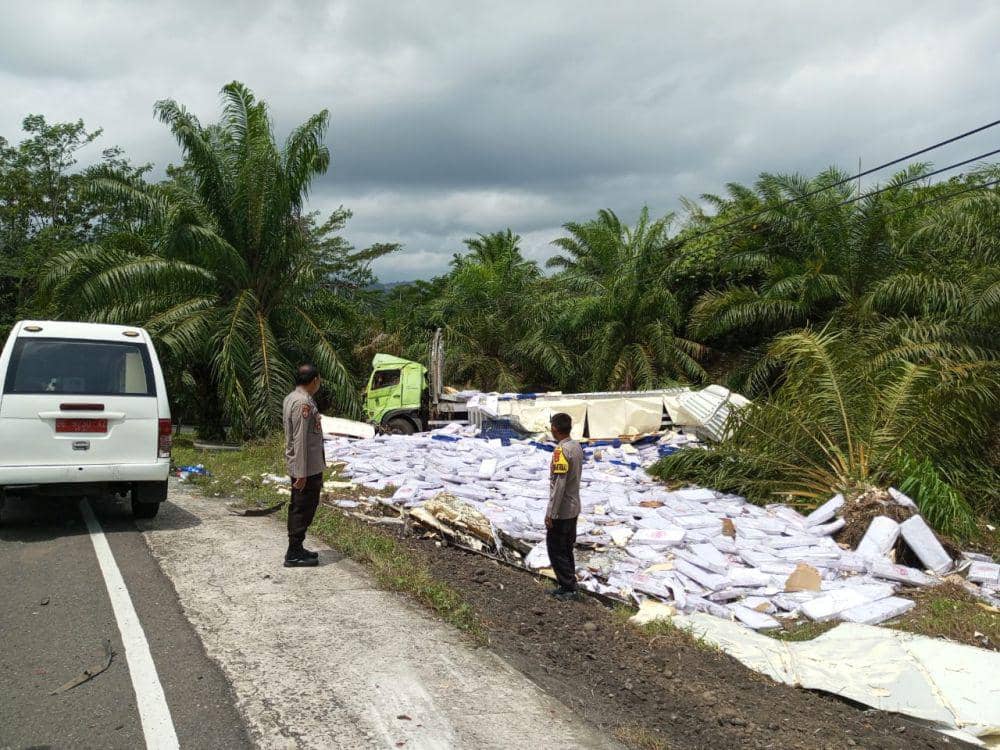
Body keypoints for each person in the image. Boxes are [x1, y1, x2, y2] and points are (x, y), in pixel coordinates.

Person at [282, 364, 326, 567]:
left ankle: (297, 548)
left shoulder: (293, 397)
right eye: (319, 380)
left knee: (302, 506)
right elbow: (299, 439)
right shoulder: (302, 403)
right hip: (306, 469)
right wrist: (301, 473)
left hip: (305, 466)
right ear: (314, 380)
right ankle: (294, 553)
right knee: (303, 508)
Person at [544, 412, 583, 599]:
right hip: (574, 507)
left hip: (563, 510)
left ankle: (568, 587)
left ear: (554, 429)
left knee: (556, 548)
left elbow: (559, 485)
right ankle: (570, 583)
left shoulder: (561, 451)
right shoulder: (576, 447)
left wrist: (551, 513)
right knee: (567, 547)